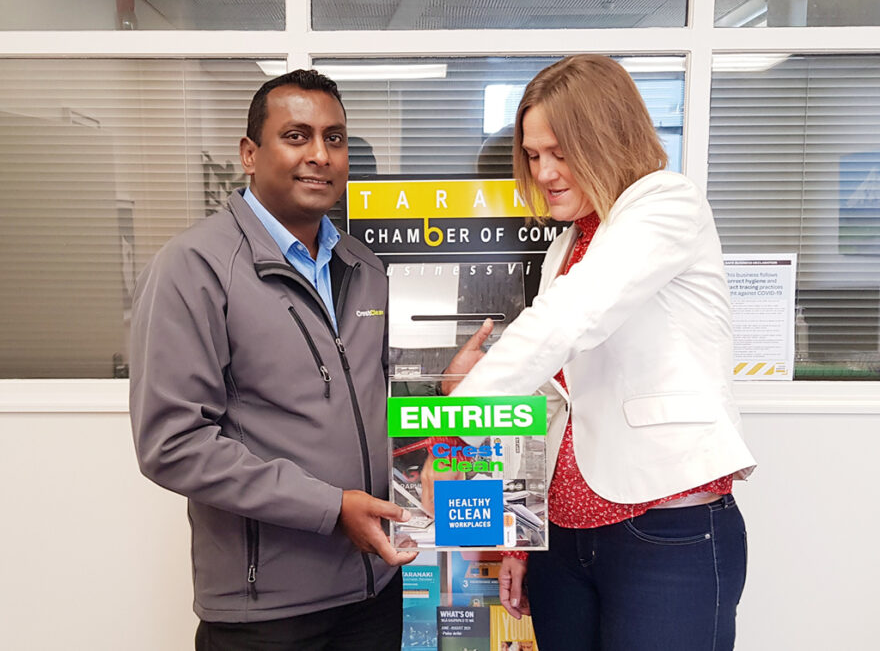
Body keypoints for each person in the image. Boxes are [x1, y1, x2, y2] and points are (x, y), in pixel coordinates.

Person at [445, 55, 757, 651]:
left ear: (606, 136)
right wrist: (518, 535)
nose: (544, 172)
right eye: (534, 155)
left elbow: (572, 318)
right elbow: (548, 396)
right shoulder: (564, 245)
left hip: (663, 524)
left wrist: (460, 409)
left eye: (560, 152)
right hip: (562, 533)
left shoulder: (667, 203)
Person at [129, 69, 416, 651]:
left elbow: (386, 409)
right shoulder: (195, 268)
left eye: (334, 138)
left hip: (375, 591)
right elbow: (173, 443)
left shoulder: (364, 268)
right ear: (250, 154)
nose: (319, 155)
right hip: (264, 614)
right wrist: (331, 508)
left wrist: (444, 377)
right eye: (297, 135)